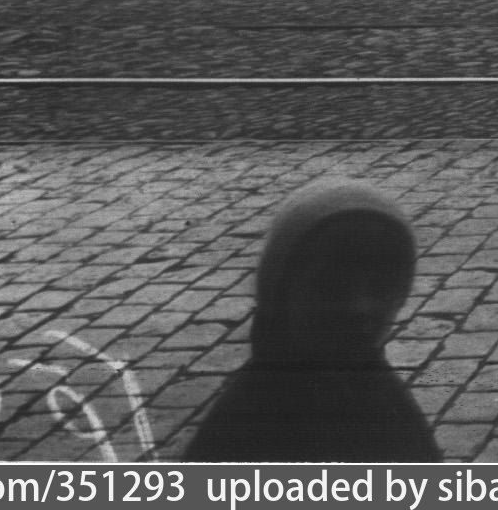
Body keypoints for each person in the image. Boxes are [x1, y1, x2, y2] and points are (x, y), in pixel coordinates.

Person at [186, 179, 441, 461]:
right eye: (330, 287)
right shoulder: (248, 428)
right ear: (280, 294)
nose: (359, 307)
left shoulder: (384, 401)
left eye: (381, 288)